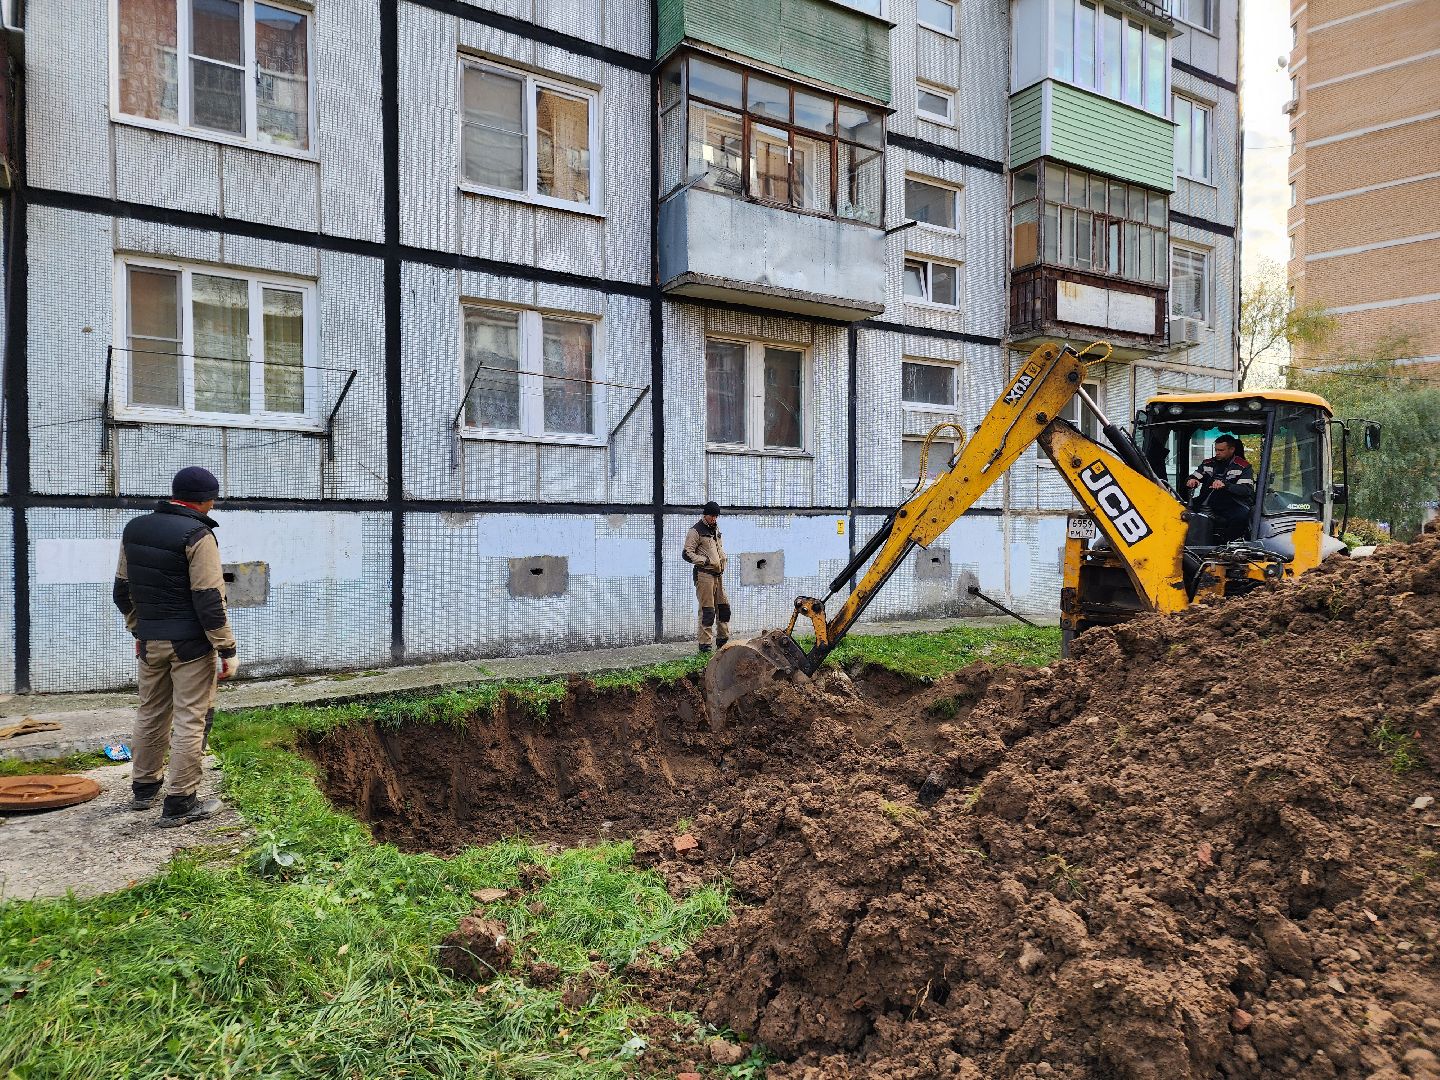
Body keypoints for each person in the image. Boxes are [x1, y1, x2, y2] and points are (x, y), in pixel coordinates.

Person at [113, 466, 239, 828]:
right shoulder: (198, 534)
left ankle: (143, 788)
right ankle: (181, 801)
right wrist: (226, 649)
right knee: (190, 717)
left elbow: (122, 590)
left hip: (149, 641)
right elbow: (208, 598)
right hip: (190, 645)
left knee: (150, 712)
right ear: (206, 500)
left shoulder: (135, 528)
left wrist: (142, 630)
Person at [1185, 434, 1256, 542]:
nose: (1217, 453)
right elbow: (1195, 476)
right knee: (1181, 511)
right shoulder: (1207, 463)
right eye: (1216, 450)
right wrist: (1192, 480)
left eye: (1221, 450)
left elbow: (1246, 490)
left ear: (1232, 450)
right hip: (1207, 501)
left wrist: (1226, 485)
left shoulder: (1243, 466)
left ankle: (1226, 543)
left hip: (1232, 503)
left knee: (1241, 517)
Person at [683, 501, 730, 654]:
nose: (714, 519)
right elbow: (687, 553)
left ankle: (723, 644)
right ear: (705, 514)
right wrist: (706, 561)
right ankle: (705, 647)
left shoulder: (715, 529)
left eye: (716, 516)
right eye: (712, 516)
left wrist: (722, 559)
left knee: (724, 609)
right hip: (704, 575)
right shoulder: (695, 531)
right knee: (707, 611)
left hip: (718, 575)